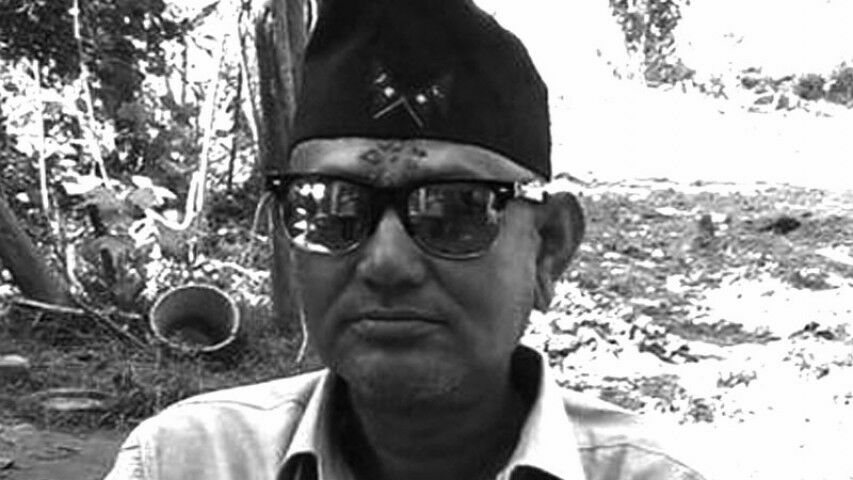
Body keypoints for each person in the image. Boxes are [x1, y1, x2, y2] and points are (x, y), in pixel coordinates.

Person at [105, 0, 708, 479]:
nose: (387, 262)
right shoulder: (185, 463)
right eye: (330, 207)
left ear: (548, 248)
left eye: (454, 210)